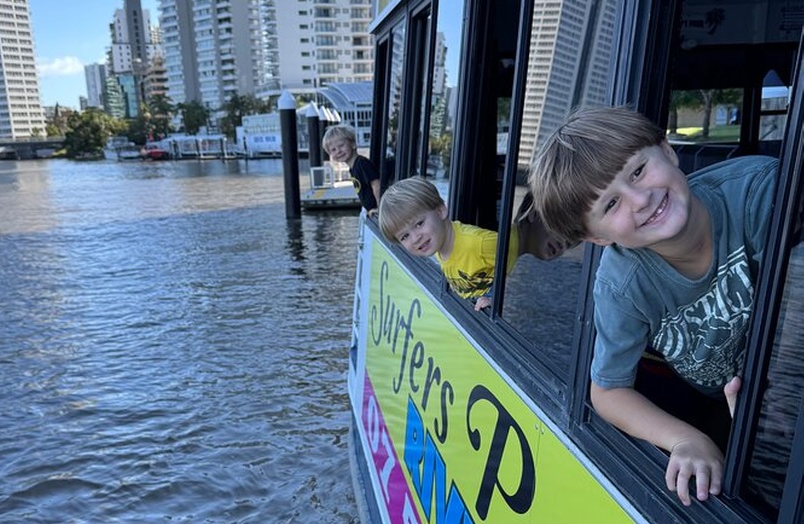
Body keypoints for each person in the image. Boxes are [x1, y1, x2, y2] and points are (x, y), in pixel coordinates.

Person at [529, 106, 778, 506]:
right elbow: (608, 390)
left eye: (638, 171)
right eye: (610, 206)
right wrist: (685, 439)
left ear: (666, 149)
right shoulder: (622, 286)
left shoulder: (758, 193)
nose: (641, 200)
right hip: (725, 409)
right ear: (595, 237)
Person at [378, 176, 569, 311]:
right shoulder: (436, 245)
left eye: (419, 224)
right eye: (404, 236)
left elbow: (507, 257)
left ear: (441, 211)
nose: (415, 238)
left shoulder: (479, 243)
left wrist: (493, 296)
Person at [322, 124, 381, 216]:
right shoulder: (353, 168)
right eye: (333, 150)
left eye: (341, 145)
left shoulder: (361, 163)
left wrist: (379, 208)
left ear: (353, 144)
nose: (338, 151)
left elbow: (376, 185)